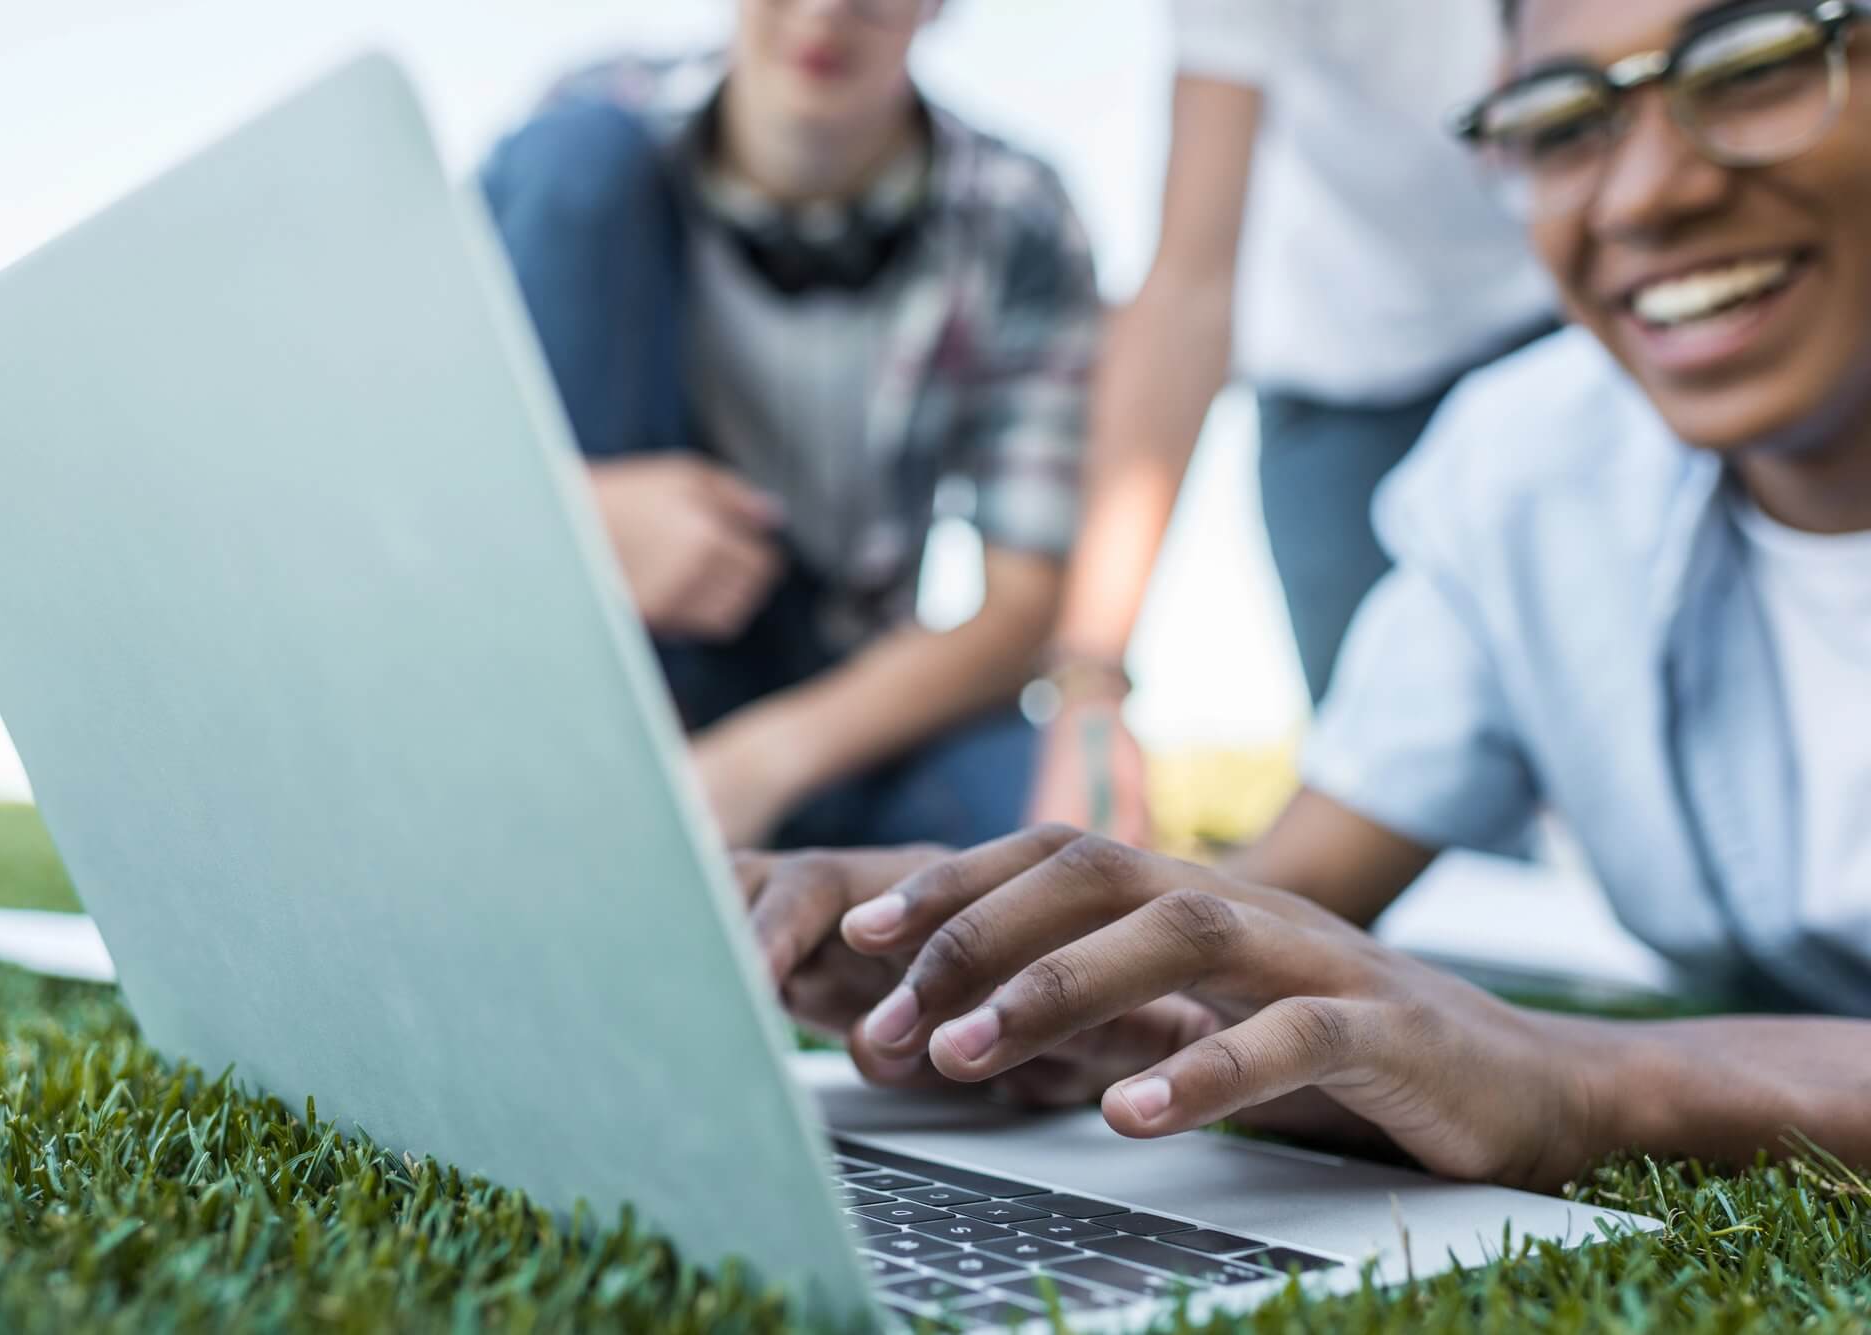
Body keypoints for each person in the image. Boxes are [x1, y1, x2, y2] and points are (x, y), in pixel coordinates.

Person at [738, 0, 1871, 1182]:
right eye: (1560, 120)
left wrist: (1593, 1079)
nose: (1642, 195)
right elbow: (1291, 901)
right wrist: (1031, 962)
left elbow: (1560, 1066)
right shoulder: (1521, 474)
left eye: (1756, 68)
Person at [480, 0, 1101, 851]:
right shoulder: (592, 130)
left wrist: (752, 767)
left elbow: (1021, 606)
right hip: (586, 653)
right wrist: (576, 519)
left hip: (838, 699)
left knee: (1033, 836)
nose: (825, 13)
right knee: (579, 152)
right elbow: (401, 448)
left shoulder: (1017, 215)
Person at [1025, 0, 1558, 845]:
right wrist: (1091, 682)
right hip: (1339, 379)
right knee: (1409, 807)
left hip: (1565, 313)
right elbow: (1185, 289)